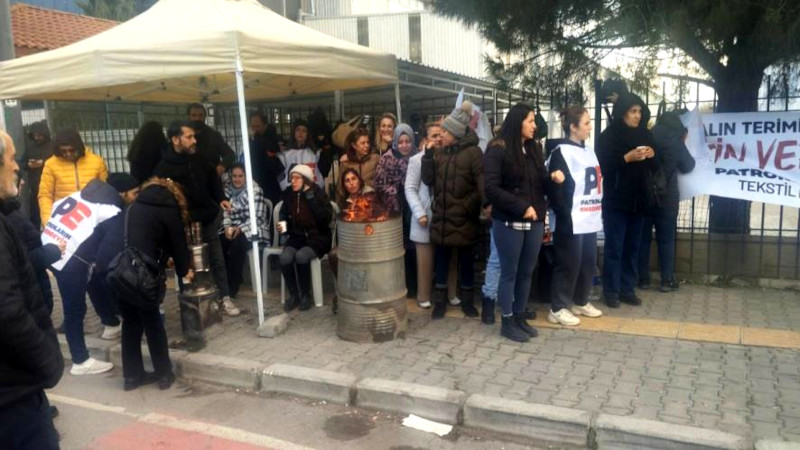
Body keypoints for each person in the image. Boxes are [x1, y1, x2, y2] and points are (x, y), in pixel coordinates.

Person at [0, 130, 63, 449]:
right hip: (14, 399)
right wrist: (49, 363)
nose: (16, 167)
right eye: (11, 159)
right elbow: (7, 311)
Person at [484, 103, 563, 342]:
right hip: (509, 222)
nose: (534, 125)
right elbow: (491, 189)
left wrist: (553, 179)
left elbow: (540, 183)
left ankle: (519, 316)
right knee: (510, 272)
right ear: (518, 122)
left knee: (526, 272)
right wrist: (522, 207)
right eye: (530, 120)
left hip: (534, 221)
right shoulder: (497, 149)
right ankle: (507, 321)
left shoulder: (533, 148)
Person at [153, 121, 240, 316]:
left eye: (194, 136)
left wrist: (221, 198)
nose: (194, 140)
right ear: (175, 140)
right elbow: (160, 195)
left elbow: (213, 180)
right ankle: (191, 303)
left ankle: (224, 297)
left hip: (207, 217)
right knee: (185, 262)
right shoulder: (163, 168)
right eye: (189, 137)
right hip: (182, 223)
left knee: (216, 259)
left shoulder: (200, 159)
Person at [121, 177, 193, 391]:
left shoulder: (134, 207)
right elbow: (178, 245)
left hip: (124, 270)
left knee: (130, 324)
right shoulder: (169, 209)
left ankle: (131, 377)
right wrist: (184, 271)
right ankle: (163, 374)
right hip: (146, 273)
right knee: (153, 323)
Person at [45, 179, 124, 375]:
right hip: (70, 260)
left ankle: (111, 324)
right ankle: (80, 360)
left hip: (49, 248)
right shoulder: (111, 210)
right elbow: (108, 252)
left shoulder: (76, 196)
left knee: (91, 283)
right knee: (75, 309)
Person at [422, 101, 485, 320]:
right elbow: (428, 180)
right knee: (442, 261)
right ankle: (440, 302)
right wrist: (427, 157)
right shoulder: (440, 153)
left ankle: (468, 302)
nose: (442, 134)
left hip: (464, 218)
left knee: (466, 261)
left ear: (456, 133)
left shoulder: (474, 153)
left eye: (445, 131)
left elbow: (481, 184)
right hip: (443, 217)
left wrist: (470, 206)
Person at [597, 92, 658, 308]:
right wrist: (626, 158)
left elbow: (656, 166)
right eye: (633, 111)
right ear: (623, 112)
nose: (637, 116)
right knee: (615, 247)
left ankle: (627, 288)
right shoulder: (609, 136)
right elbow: (603, 166)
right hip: (617, 200)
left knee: (633, 247)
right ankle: (611, 291)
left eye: (639, 111)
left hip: (639, 200)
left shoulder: (645, 134)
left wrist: (652, 154)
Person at [546, 107, 605, 326]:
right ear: (573, 127)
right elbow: (555, 187)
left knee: (587, 261)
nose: (590, 127)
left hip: (589, 216)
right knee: (568, 262)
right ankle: (558, 307)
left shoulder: (588, 151)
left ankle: (580, 300)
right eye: (586, 123)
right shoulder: (560, 152)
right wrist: (565, 212)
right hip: (571, 218)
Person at [639, 111, 696, 292]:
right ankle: (666, 280)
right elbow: (689, 165)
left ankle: (643, 279)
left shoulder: (647, 136)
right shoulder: (675, 141)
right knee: (666, 239)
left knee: (643, 239)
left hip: (645, 195)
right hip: (667, 197)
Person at [277, 164, 333, 312]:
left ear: (306, 180)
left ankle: (306, 295)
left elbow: (325, 219)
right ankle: (294, 295)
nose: (293, 181)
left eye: (297, 178)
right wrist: (283, 230)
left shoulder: (318, 193)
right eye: (291, 178)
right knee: (285, 258)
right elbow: (283, 216)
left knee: (301, 256)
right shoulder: (289, 195)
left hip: (318, 237)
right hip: (297, 236)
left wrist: (310, 197)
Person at [375, 124, 418, 298]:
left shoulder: (418, 157)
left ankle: (415, 285)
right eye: (400, 142)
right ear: (395, 142)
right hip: (394, 210)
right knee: (398, 248)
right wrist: (396, 190)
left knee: (414, 248)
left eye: (408, 141)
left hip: (414, 209)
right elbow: (379, 184)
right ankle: (399, 283)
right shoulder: (387, 159)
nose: (404, 145)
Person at [38, 128, 108, 228]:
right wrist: (49, 222)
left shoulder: (97, 162)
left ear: (79, 147)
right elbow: (45, 196)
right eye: (63, 151)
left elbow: (105, 193)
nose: (68, 154)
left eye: (72, 150)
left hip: (93, 219)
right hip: (62, 222)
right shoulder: (50, 165)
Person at [221, 163, 270, 300]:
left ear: (246, 176)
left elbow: (258, 217)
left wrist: (240, 229)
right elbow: (226, 213)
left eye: (240, 176)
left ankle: (232, 288)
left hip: (254, 228)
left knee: (237, 246)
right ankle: (224, 284)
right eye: (234, 176)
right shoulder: (227, 191)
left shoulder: (255, 191)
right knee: (220, 243)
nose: (237, 179)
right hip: (234, 227)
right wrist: (227, 227)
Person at [277, 118, 332, 191]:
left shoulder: (315, 153)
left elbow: (323, 171)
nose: (300, 133)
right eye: (298, 130)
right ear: (294, 132)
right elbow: (280, 175)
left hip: (312, 191)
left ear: (307, 134)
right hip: (291, 192)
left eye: (304, 131)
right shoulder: (285, 155)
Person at [187, 103, 236, 177]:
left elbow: (230, 155)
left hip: (210, 179)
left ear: (205, 117)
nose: (197, 118)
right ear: (189, 116)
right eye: (194, 115)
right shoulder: (182, 135)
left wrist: (222, 167)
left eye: (201, 115)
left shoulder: (214, 135)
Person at [21, 120, 54, 228]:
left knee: (52, 215)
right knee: (35, 216)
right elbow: (22, 163)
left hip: (51, 187)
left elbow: (58, 162)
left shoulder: (53, 146)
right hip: (36, 188)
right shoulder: (30, 147)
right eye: (35, 135)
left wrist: (43, 163)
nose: (37, 138)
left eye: (40, 135)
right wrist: (29, 165)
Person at [337, 128, 380, 207]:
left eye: (368, 142)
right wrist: (342, 206)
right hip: (352, 205)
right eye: (363, 143)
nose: (366, 145)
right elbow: (340, 187)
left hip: (372, 203)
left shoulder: (376, 159)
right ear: (354, 145)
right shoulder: (346, 163)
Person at [247, 112, 283, 205]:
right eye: (252, 126)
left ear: (265, 126)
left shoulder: (271, 140)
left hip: (270, 183)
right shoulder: (252, 139)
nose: (255, 129)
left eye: (258, 126)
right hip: (256, 181)